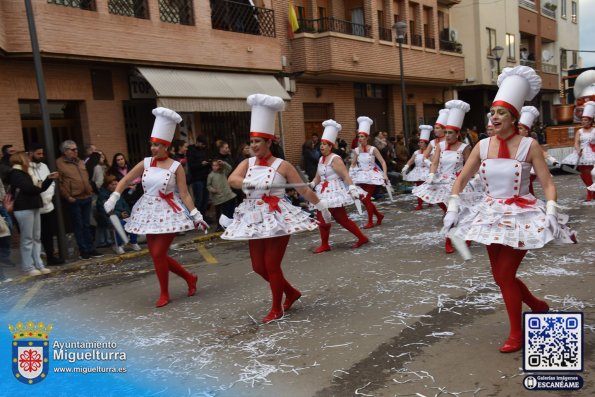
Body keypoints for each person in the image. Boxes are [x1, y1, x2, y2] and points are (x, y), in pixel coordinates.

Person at [443, 66, 576, 353]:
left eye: (500, 113)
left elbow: (547, 183)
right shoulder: (481, 145)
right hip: (491, 215)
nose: (494, 117)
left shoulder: (529, 145)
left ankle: (517, 332)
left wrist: (551, 210)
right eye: (492, 112)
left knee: (504, 276)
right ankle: (537, 306)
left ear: (514, 117)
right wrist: (453, 207)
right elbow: (462, 178)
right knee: (501, 277)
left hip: (522, 215)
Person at [222, 94, 330, 323]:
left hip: (277, 216)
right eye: (251, 142)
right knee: (258, 266)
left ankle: (277, 308)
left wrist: (321, 205)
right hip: (252, 216)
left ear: (269, 142)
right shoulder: (246, 164)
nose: (253, 146)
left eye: (258, 142)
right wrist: (248, 183)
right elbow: (232, 180)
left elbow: (303, 190)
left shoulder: (283, 165)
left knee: (271, 265)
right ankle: (291, 292)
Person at [103, 107, 208, 308]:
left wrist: (195, 214)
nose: (153, 148)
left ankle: (164, 293)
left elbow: (184, 193)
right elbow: (125, 179)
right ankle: (189, 277)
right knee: (156, 255)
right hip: (147, 211)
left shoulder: (176, 166)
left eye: (158, 145)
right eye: (152, 144)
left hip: (169, 212)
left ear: (166, 146)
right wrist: (114, 196)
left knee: (158, 254)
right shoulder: (146, 163)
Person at [412, 100, 472, 254]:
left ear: (458, 134)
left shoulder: (465, 147)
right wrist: (431, 174)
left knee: (457, 211)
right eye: (446, 132)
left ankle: (457, 237)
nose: (447, 136)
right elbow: (434, 162)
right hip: (441, 181)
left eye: (450, 133)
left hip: (458, 182)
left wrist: (471, 178)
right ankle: (452, 238)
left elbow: (470, 165)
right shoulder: (440, 146)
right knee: (450, 211)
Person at [309, 119, 368, 253]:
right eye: (321, 144)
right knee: (339, 219)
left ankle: (326, 244)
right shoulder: (320, 159)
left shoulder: (335, 159)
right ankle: (361, 237)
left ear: (331, 146)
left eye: (325, 144)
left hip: (334, 191)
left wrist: (352, 188)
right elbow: (318, 176)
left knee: (331, 219)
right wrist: (312, 184)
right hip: (323, 192)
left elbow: (345, 175)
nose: (322, 146)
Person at [8, 151, 60, 276]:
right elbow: (30, 189)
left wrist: (48, 179)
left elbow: (39, 188)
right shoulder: (16, 173)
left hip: (34, 206)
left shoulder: (27, 172)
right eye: (26, 157)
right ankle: (28, 267)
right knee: (27, 238)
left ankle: (39, 264)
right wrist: (39, 186)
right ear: (20, 159)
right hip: (23, 208)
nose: (28, 159)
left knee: (36, 237)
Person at [56, 140, 102, 260]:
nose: (76, 151)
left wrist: (90, 192)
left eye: (76, 149)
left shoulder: (80, 162)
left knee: (87, 225)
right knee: (79, 225)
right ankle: (83, 250)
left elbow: (86, 177)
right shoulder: (59, 163)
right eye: (73, 149)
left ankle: (91, 248)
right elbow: (59, 183)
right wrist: (67, 196)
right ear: (65, 151)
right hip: (74, 199)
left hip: (86, 197)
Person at [28, 143, 65, 266]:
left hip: (48, 205)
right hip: (36, 207)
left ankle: (51, 257)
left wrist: (49, 197)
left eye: (42, 153)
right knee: (36, 235)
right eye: (38, 154)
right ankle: (36, 260)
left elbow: (51, 182)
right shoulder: (26, 167)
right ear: (31, 153)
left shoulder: (44, 166)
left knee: (49, 234)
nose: (41, 156)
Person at [349, 116, 388, 229]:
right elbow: (353, 163)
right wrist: (350, 173)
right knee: (363, 199)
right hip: (360, 176)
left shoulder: (373, 149)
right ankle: (379, 216)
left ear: (367, 137)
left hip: (372, 176)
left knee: (366, 199)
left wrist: (384, 174)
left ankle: (370, 221)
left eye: (362, 136)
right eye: (359, 136)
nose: (360, 138)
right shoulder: (356, 150)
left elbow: (382, 162)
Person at [518, 106, 560, 196]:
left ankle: (531, 201)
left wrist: (552, 160)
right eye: (517, 128)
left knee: (526, 187)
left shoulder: (531, 142)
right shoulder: (513, 141)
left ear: (526, 132)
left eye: (521, 128)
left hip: (528, 168)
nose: (518, 130)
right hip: (516, 168)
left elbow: (541, 152)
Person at [97, 175, 141, 255]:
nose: (114, 186)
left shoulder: (117, 193)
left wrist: (127, 212)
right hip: (110, 217)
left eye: (115, 184)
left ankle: (133, 242)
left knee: (134, 221)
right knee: (119, 224)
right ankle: (118, 245)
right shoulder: (103, 195)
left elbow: (125, 204)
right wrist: (120, 214)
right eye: (112, 184)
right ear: (107, 185)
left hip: (122, 215)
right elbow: (106, 210)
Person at [560, 101, 595, 201]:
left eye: (585, 120)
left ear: (590, 121)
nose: (583, 121)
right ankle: (592, 191)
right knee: (583, 175)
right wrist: (578, 150)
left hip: (591, 154)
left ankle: (590, 194)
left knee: (589, 174)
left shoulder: (594, 130)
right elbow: (576, 143)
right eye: (582, 120)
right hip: (581, 154)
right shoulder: (579, 131)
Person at [401, 125, 432, 210]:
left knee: (427, 187)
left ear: (426, 144)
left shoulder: (430, 152)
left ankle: (429, 200)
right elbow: (411, 160)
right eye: (419, 142)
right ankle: (420, 204)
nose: (419, 144)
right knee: (418, 188)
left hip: (427, 171)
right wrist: (406, 166)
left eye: (421, 142)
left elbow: (434, 162)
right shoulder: (416, 152)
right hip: (417, 172)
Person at [207, 159, 236, 232]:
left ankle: (228, 225)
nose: (215, 167)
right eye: (213, 165)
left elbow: (229, 168)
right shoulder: (210, 175)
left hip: (227, 195)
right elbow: (208, 185)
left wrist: (224, 163)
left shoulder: (223, 172)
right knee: (219, 213)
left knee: (227, 211)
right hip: (218, 198)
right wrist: (213, 190)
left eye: (216, 165)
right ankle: (219, 226)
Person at [186, 137, 212, 220]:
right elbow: (191, 165)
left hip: (205, 178)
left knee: (205, 199)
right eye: (202, 144)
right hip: (197, 179)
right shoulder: (191, 151)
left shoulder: (204, 150)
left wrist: (208, 162)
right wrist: (201, 164)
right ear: (198, 142)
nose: (203, 146)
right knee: (199, 200)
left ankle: (204, 216)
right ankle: (197, 218)